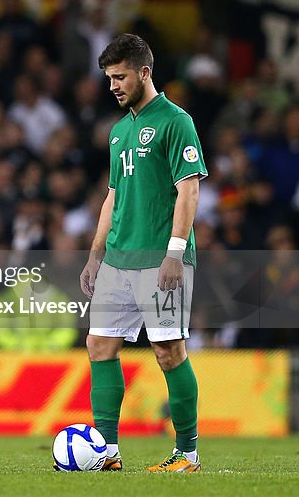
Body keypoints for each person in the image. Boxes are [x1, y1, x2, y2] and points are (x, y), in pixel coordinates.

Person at [79, 34, 206, 473]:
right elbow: (112, 197)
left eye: (120, 76)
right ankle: (106, 452)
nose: (112, 85)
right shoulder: (119, 132)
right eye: (109, 78)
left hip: (160, 256)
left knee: (168, 349)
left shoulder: (175, 121)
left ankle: (187, 453)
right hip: (119, 257)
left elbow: (188, 190)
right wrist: (96, 254)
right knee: (99, 345)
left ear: (144, 72)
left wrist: (175, 252)